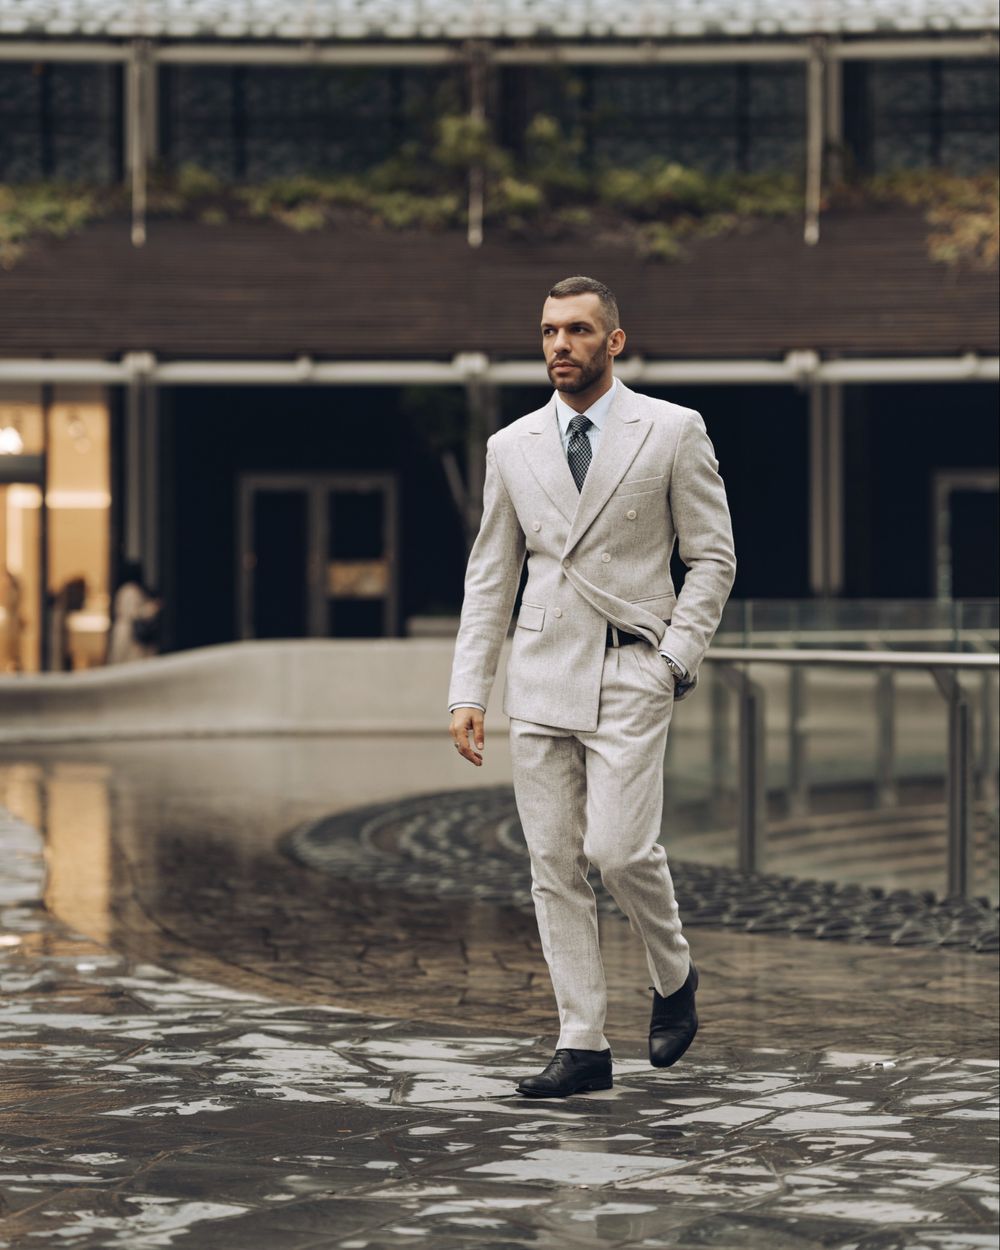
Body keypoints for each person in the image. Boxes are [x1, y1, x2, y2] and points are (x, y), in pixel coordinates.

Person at [448, 276, 736, 1098]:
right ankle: (582, 1042)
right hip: (540, 674)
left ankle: (673, 973)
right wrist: (468, 688)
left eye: (576, 331)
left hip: (630, 666)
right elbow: (489, 577)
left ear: (613, 340)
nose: (558, 346)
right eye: (547, 332)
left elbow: (712, 556)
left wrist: (676, 657)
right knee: (551, 862)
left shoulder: (672, 430)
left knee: (617, 850)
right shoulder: (512, 446)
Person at [106, 561, 161, 665]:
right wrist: (154, 607)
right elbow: (135, 614)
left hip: (122, 631)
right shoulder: (132, 590)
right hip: (129, 632)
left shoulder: (123, 589)